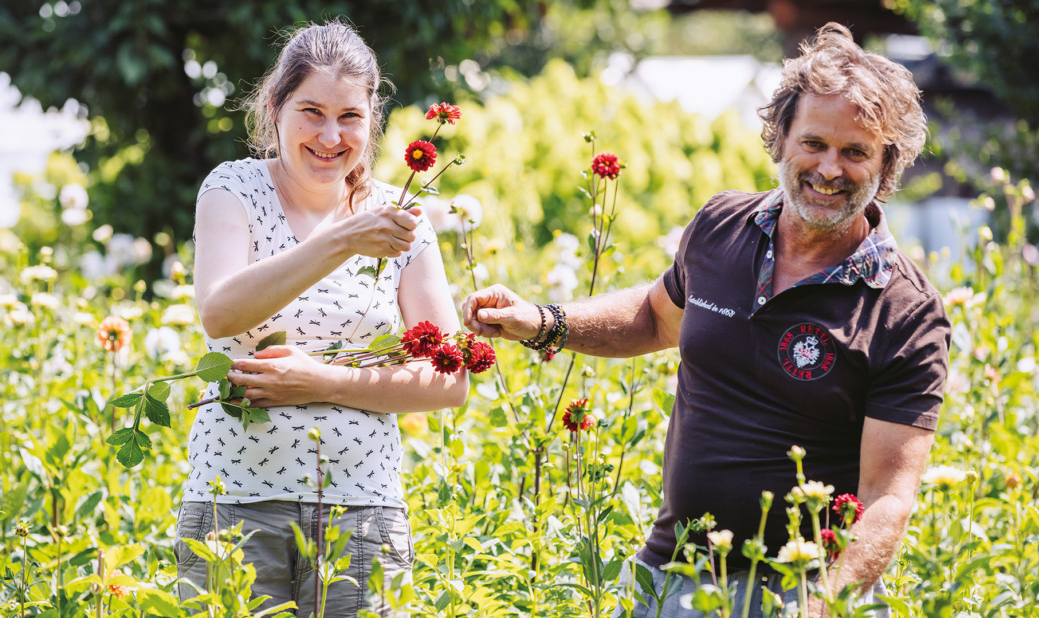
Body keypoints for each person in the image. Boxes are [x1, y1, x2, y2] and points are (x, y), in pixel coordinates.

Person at [462, 23, 948, 617]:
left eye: (855, 152)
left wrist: (824, 606)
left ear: (886, 164)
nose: (829, 168)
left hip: (800, 591)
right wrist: (542, 320)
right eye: (814, 143)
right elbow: (652, 318)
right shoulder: (722, 226)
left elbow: (886, 498)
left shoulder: (903, 308)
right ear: (781, 139)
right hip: (674, 575)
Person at [175, 20, 468, 618]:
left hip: (363, 508)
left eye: (350, 117)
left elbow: (449, 379)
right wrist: (342, 240)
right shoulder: (233, 189)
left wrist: (323, 382)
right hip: (236, 500)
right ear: (276, 107)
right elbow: (220, 312)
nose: (330, 136)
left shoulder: (401, 221)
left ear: (371, 121)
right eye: (312, 111)